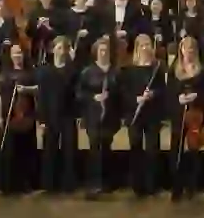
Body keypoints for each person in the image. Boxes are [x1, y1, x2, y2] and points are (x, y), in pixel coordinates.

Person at [120, 33, 165, 197]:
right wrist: (136, 98)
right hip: (135, 114)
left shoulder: (157, 67)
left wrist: (153, 94)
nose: (146, 48)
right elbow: (124, 92)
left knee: (153, 149)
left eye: (148, 45)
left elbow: (163, 90)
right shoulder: (129, 69)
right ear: (137, 48)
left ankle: (152, 184)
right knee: (136, 148)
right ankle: (138, 186)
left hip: (152, 113)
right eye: (142, 45)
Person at [76, 36, 120, 200]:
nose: (103, 53)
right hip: (93, 116)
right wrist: (93, 98)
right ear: (96, 52)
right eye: (101, 50)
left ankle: (107, 183)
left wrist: (111, 95)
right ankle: (93, 184)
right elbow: (79, 94)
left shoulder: (115, 72)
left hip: (110, 116)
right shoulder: (87, 72)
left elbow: (121, 93)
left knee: (107, 148)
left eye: (106, 50)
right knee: (94, 149)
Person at [0, 43, 38, 194]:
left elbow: (38, 90)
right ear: (11, 55)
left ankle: (24, 184)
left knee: (25, 152)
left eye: (20, 53)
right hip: (9, 116)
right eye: (15, 53)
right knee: (9, 152)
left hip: (26, 117)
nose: (18, 56)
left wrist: (26, 89)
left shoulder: (30, 73)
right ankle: (8, 185)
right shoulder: (5, 73)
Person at [36, 35, 77, 193]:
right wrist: (42, 119)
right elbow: (42, 96)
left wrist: (71, 63)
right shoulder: (45, 71)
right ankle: (49, 184)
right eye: (58, 48)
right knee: (49, 150)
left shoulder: (71, 70)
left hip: (67, 114)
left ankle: (68, 184)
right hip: (50, 115)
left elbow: (72, 90)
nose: (61, 51)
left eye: (63, 48)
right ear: (53, 50)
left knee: (69, 150)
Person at [169, 36, 204, 202]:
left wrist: (196, 96)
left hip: (196, 114)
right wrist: (178, 99)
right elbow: (169, 92)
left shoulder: (202, 70)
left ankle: (192, 186)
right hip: (179, 114)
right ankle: (176, 187)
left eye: (192, 48)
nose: (189, 51)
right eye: (186, 48)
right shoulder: (174, 69)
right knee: (175, 150)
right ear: (181, 50)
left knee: (193, 151)